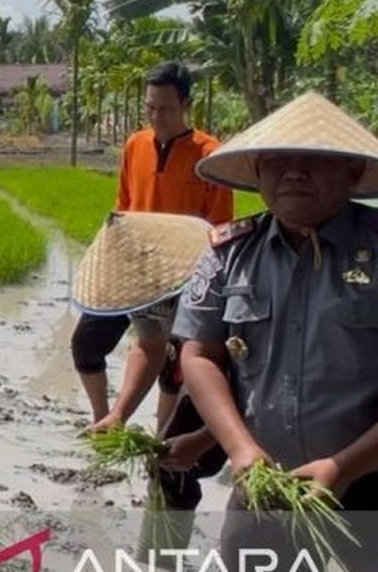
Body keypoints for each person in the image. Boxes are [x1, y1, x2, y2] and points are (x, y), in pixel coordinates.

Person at [175, 92, 378, 567]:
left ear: (351, 170)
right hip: (264, 488)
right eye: (278, 160)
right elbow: (199, 354)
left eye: (314, 159)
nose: (294, 171)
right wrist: (240, 450)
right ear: (258, 173)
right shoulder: (229, 254)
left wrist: (342, 467)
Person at [73, 61, 233, 429]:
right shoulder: (135, 145)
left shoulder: (210, 153)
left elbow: (217, 228)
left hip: (185, 272)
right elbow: (124, 208)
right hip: (137, 267)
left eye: (166, 109)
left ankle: (161, 439)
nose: (157, 116)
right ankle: (103, 419)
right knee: (86, 342)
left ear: (186, 105)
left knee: (174, 363)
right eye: (150, 108)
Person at [70, 211, 226, 556]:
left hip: (246, 382)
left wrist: (204, 439)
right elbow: (151, 345)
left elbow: (256, 386)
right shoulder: (144, 289)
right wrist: (118, 413)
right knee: (168, 465)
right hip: (204, 373)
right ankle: (155, 560)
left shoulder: (221, 289)